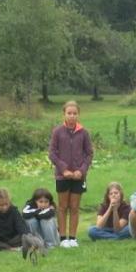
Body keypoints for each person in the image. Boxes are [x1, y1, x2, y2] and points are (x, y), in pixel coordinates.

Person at [49, 100, 92, 247]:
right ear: (64, 114)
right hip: (63, 176)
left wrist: (81, 170)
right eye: (69, 113)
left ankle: (73, 238)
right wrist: (64, 169)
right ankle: (62, 238)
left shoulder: (84, 133)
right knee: (62, 207)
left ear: (78, 115)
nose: (72, 116)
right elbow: (52, 154)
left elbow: (89, 154)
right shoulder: (57, 132)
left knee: (74, 207)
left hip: (79, 177)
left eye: (75, 113)